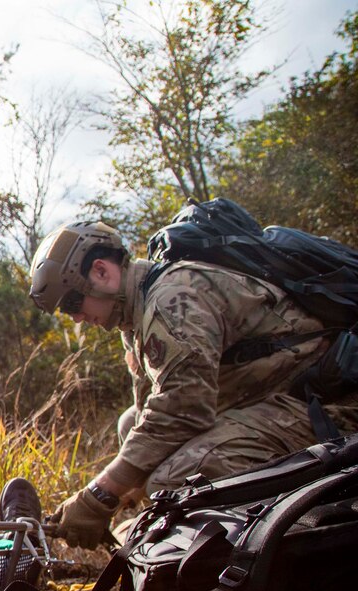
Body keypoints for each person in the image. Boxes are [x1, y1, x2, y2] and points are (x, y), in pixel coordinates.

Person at [28, 220, 358, 548]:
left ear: (101, 272)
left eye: (72, 303)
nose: (75, 318)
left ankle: (288, 533)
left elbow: (182, 410)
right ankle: (175, 526)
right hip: (266, 395)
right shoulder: (133, 318)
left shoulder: (172, 300)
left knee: (171, 481)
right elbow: (152, 408)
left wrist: (100, 495)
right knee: (129, 424)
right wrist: (126, 489)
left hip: (323, 406)